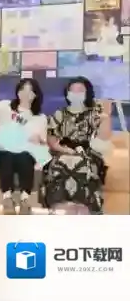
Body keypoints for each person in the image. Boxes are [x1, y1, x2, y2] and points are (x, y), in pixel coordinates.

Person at [40, 77, 112, 214]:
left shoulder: (94, 114)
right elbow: (51, 139)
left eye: (80, 90)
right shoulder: (59, 114)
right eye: (72, 90)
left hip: (88, 153)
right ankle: (58, 209)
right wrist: (65, 150)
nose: (75, 93)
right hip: (62, 152)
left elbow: (104, 137)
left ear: (87, 93)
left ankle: (86, 209)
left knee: (84, 168)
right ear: (67, 94)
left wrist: (106, 117)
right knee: (59, 167)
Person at [0, 78, 47, 215]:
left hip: (25, 153)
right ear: (17, 92)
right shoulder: (5, 106)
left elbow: (42, 143)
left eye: (30, 91)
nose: (26, 94)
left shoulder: (40, 118)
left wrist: (36, 140)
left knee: (25, 156)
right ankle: (7, 198)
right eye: (23, 89)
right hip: (2, 151)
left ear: (36, 95)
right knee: (7, 155)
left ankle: (25, 199)